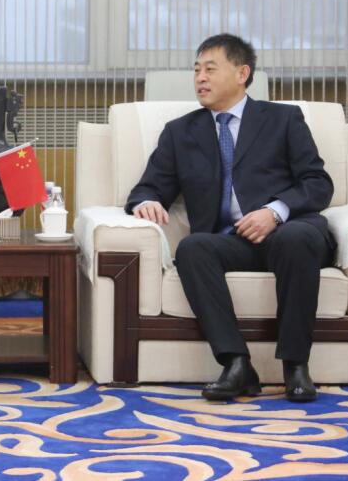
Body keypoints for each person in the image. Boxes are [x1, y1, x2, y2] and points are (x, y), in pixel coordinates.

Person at [126, 33, 334, 402]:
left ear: (242, 73)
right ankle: (237, 364)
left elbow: (317, 183)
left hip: (289, 233)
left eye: (210, 69)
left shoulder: (283, 119)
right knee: (193, 248)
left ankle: (295, 365)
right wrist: (145, 202)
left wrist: (274, 212)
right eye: (196, 70)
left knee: (295, 238)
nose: (200, 78)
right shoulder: (180, 132)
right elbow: (148, 188)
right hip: (232, 242)